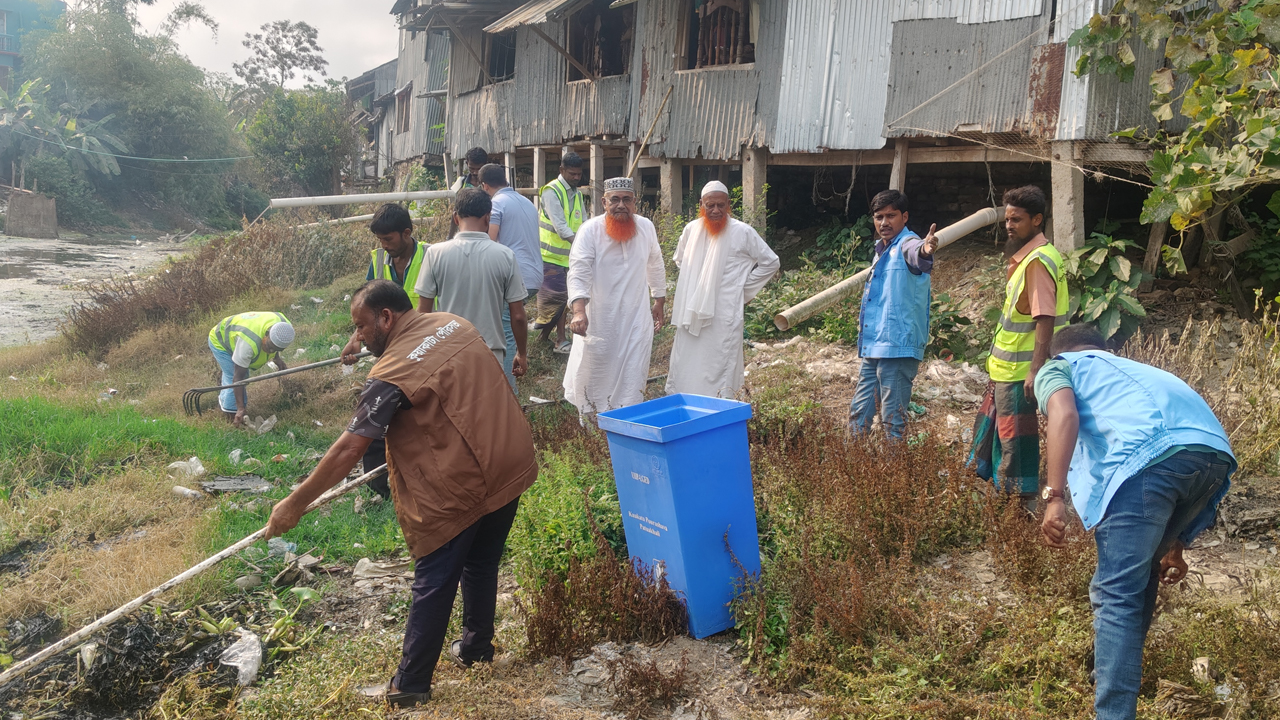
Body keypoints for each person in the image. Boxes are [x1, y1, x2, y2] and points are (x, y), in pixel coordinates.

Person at [264, 280, 537, 708]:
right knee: (482, 562)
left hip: (461, 483)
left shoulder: (392, 372)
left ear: (386, 318)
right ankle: (476, 650)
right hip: (507, 458)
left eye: (360, 327)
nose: (358, 337)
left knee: (434, 578)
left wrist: (294, 503)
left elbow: (350, 447)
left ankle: (410, 685)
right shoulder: (454, 323)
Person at [1036, 323, 1234, 720]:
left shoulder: (1060, 366)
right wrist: (1174, 543)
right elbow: (1187, 446)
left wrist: (1054, 496)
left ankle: (1113, 712)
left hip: (1146, 463)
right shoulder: (1133, 371)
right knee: (1137, 577)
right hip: (1214, 457)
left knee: (1116, 594)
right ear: (1103, 347)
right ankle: (1103, 670)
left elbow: (1064, 414)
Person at [969, 185, 1068, 510]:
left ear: (1037, 220)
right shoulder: (1030, 258)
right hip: (1006, 371)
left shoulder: (1037, 262)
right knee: (999, 435)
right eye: (1007, 219)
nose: (1009, 225)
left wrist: (1035, 368)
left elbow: (1045, 318)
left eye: (1018, 220)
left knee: (1015, 443)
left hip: (1019, 372)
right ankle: (1003, 497)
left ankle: (1016, 508)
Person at [340, 203, 426, 498]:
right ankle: (379, 491)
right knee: (376, 420)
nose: (384, 246)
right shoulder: (378, 260)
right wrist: (357, 336)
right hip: (391, 355)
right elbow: (368, 304)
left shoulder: (431, 256)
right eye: (380, 240)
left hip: (424, 351)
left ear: (406, 232)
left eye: (388, 239)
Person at [665, 181, 780, 399]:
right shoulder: (691, 230)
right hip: (692, 313)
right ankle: (687, 402)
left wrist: (743, 292)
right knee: (688, 360)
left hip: (725, 311)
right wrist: (698, 285)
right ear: (701, 204)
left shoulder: (743, 232)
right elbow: (680, 260)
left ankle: (722, 406)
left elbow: (771, 262)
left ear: (728, 204)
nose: (716, 210)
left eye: (720, 205)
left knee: (722, 361)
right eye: (710, 205)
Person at [563, 177, 666, 415]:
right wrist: (579, 312)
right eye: (615, 200)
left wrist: (658, 299)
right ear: (604, 202)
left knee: (633, 370)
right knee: (594, 372)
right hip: (600, 319)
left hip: (636, 318)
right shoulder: (590, 230)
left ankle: (627, 421)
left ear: (635, 203)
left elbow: (655, 264)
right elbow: (579, 271)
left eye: (626, 200)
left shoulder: (646, 227)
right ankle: (593, 425)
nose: (621, 205)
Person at [414, 188, 529, 388]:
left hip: (448, 353)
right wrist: (522, 353)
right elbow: (518, 316)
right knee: (487, 414)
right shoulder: (505, 256)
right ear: (487, 218)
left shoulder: (435, 254)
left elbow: (423, 313)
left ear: (455, 218)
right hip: (490, 353)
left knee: (454, 414)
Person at [848, 189, 938, 439]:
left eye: (891, 215)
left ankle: (893, 474)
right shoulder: (881, 251)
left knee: (892, 420)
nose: (884, 223)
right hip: (875, 345)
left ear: (905, 217)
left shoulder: (907, 244)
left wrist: (926, 249)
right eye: (879, 217)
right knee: (859, 412)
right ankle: (853, 471)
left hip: (898, 346)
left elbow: (918, 253)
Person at [480, 163, 542, 395]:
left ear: (484, 186)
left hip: (514, 275)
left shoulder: (496, 204)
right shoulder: (526, 202)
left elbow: (488, 240)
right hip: (534, 274)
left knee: (505, 335)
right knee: (507, 330)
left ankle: (507, 395)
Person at [533, 151, 588, 354]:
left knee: (565, 299)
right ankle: (560, 340)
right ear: (562, 170)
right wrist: (582, 243)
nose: (576, 177)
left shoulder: (577, 193)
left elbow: (583, 222)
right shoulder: (551, 191)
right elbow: (561, 227)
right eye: (572, 174)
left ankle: (546, 338)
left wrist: (588, 240)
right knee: (556, 300)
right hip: (550, 256)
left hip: (569, 257)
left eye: (578, 174)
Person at [206, 312, 293, 426]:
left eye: (275, 349)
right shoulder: (248, 343)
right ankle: (230, 415)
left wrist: (277, 359)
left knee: (239, 373)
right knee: (235, 375)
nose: (270, 351)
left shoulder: (284, 328)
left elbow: (276, 345)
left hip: (239, 332)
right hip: (220, 339)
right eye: (269, 346)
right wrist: (241, 408)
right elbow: (238, 379)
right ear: (266, 334)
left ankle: (224, 400)